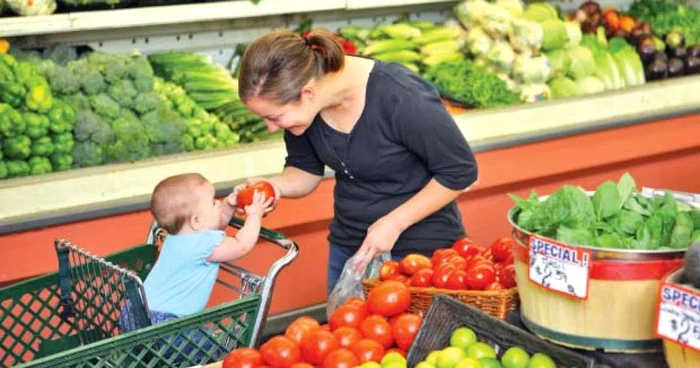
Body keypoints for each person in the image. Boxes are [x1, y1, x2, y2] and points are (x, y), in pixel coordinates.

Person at [236, 28, 478, 295]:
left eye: (275, 117)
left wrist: (394, 223)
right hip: (348, 247)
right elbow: (305, 169)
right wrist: (273, 186)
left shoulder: (401, 96)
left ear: (307, 94)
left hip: (420, 255)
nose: (271, 127)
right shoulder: (305, 108)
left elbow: (459, 171)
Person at [119, 173, 272, 332]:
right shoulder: (202, 245)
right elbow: (241, 245)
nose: (219, 203)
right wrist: (255, 215)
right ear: (196, 221)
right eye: (213, 202)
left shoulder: (175, 238)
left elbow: (212, 226)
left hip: (133, 312)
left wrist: (229, 205)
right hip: (165, 324)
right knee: (214, 345)